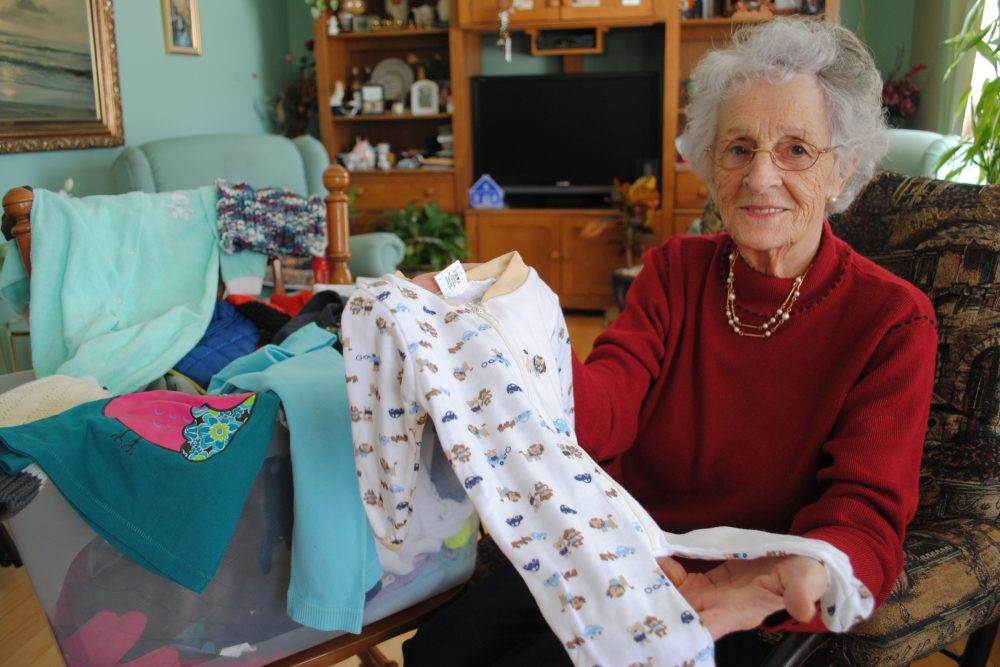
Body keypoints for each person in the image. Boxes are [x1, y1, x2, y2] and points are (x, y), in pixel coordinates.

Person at [402, 16, 938, 666]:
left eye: (796, 149)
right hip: (615, 547)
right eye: (738, 147)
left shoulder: (891, 320)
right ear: (711, 160)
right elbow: (601, 413)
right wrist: (507, 317)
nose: (760, 177)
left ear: (842, 169)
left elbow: (868, 510)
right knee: (437, 653)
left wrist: (802, 570)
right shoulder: (674, 270)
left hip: (743, 596)